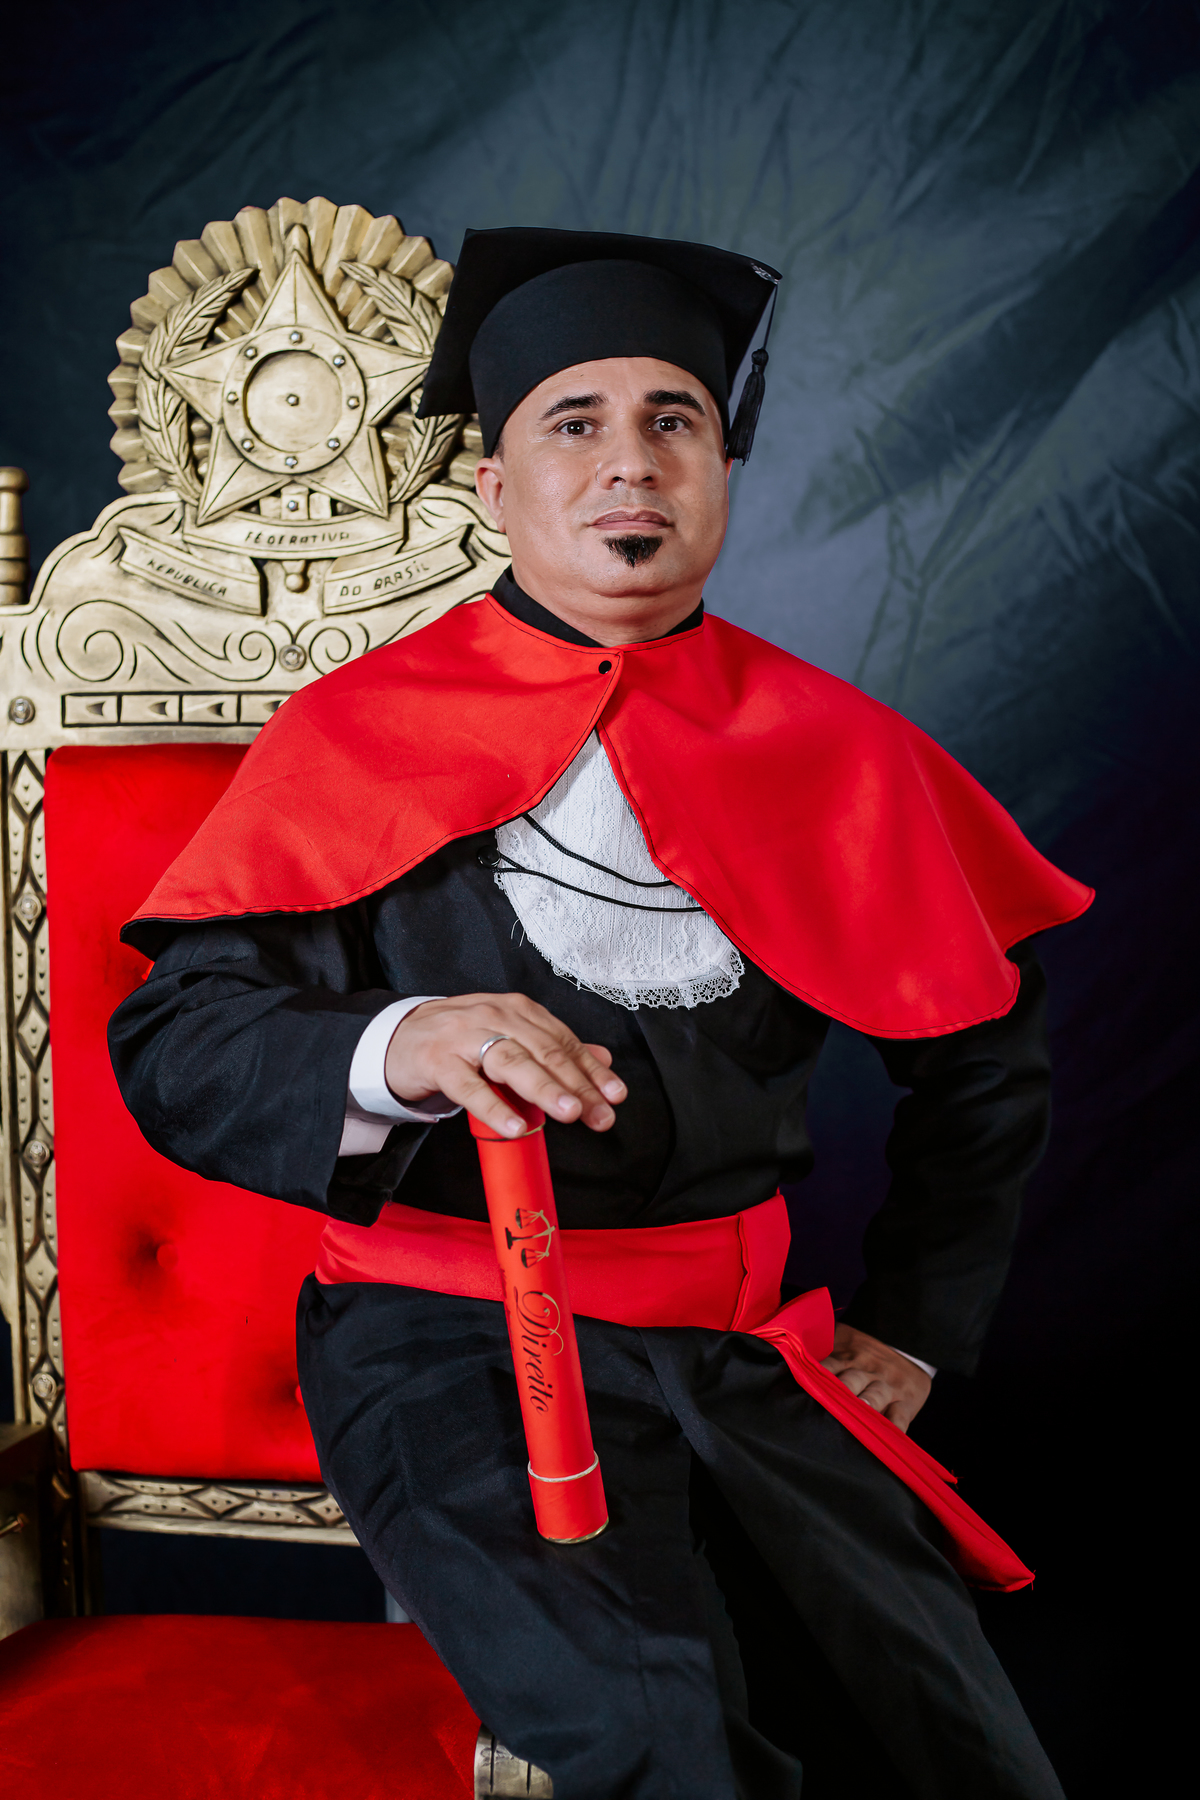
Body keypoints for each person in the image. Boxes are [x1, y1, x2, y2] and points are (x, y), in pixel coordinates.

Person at [110, 228, 1091, 1800]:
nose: (630, 462)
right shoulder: (357, 734)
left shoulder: (842, 751)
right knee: (664, 1746)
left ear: (720, 473)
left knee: (951, 1755)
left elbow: (988, 1065)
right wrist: (404, 1043)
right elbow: (178, 1044)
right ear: (494, 486)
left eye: (671, 420)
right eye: (575, 423)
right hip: (451, 1349)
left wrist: (912, 1323)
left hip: (744, 1354)